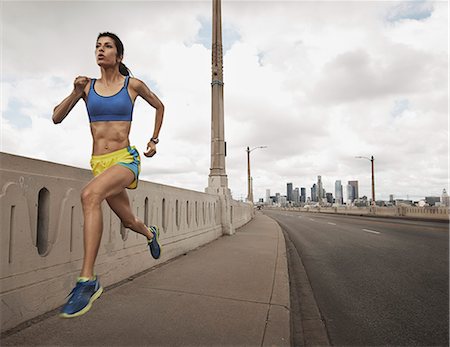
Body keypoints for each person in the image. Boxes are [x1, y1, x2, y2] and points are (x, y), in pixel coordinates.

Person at [52, 32, 164, 318]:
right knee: (127, 220)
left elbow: (159, 106)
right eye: (97, 47)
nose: (101, 51)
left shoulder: (132, 85)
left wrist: (153, 140)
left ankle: (87, 281)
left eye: (108, 46)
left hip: (125, 160)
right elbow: (56, 117)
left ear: (119, 56)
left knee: (90, 195)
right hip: (100, 164)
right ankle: (150, 233)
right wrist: (75, 92)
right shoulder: (86, 87)